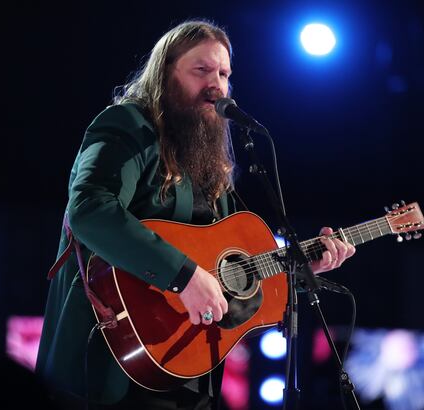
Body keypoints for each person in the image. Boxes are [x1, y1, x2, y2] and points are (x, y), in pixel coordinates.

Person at [36, 19, 356, 410]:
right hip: (110, 364)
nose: (216, 84)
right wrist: (183, 275)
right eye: (201, 70)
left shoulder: (209, 160)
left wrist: (300, 270)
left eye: (224, 73)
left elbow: (235, 269)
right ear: (166, 73)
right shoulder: (127, 125)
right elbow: (89, 208)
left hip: (188, 376)